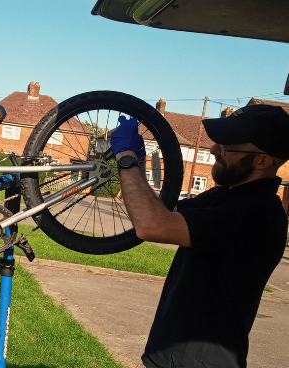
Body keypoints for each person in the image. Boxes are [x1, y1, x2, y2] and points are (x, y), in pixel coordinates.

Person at [110, 105, 289, 367]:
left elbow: (151, 225)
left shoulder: (258, 213)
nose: (214, 150)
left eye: (228, 147)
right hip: (174, 356)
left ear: (262, 160)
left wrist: (126, 158)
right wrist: (140, 163)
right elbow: (159, 210)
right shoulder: (226, 196)